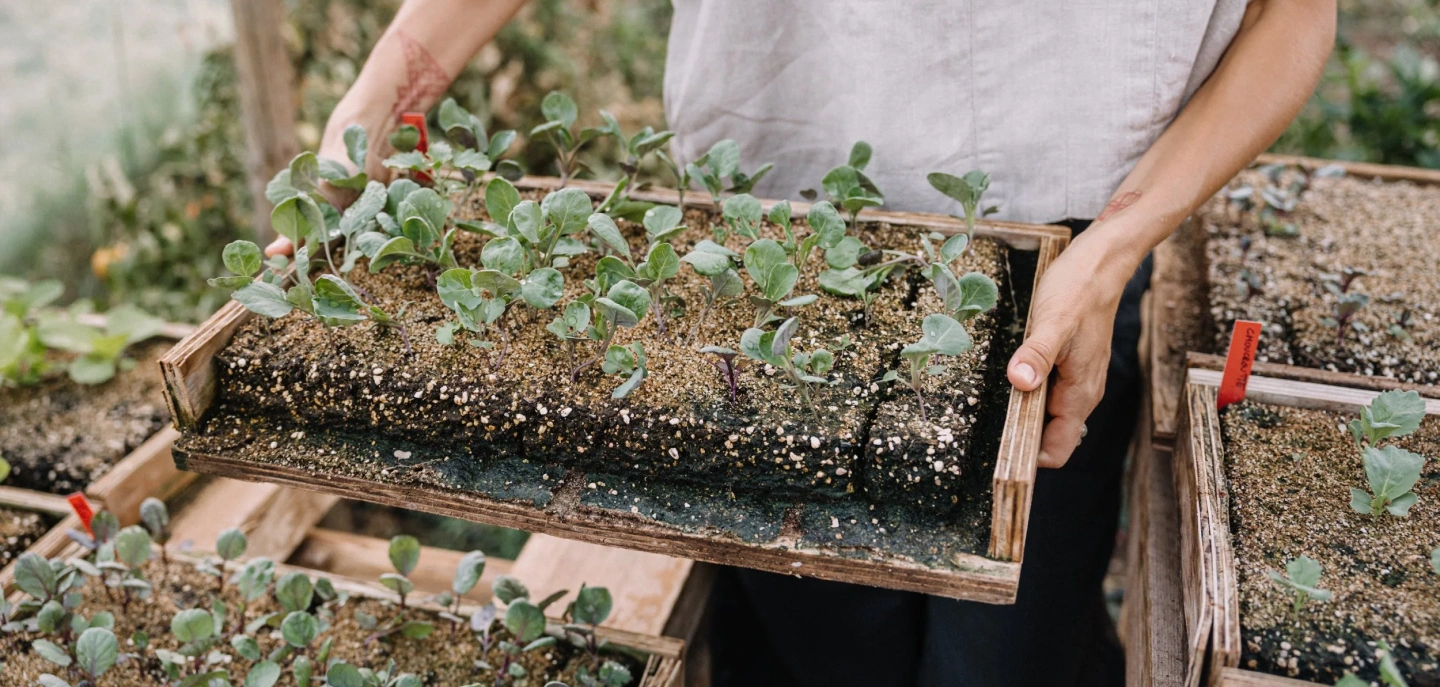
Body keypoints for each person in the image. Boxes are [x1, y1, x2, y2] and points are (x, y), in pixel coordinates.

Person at [265, 1, 1336, 684]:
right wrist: (388, 89)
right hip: (764, 234)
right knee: (818, 648)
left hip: (1067, 255)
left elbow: (1295, 14)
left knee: (1007, 655)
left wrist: (1113, 249)